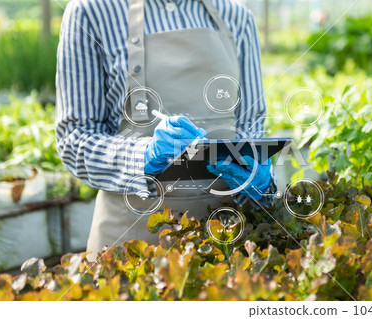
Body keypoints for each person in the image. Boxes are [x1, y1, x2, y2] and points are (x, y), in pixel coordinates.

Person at [56, 0, 277, 259]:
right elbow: (74, 139)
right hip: (128, 249)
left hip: (225, 245)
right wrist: (144, 155)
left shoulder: (237, 17)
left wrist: (260, 181)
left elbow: (251, 129)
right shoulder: (91, 11)